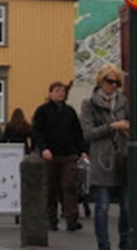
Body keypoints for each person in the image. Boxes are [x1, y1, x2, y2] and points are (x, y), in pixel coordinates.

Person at [80, 64, 130, 250]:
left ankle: (125, 243)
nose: (114, 85)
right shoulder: (89, 104)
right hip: (102, 160)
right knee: (102, 207)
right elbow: (88, 133)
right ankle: (104, 246)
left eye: (117, 82)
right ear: (101, 81)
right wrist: (112, 126)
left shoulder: (123, 102)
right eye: (110, 81)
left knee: (127, 206)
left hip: (123, 158)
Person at [31, 80, 88, 232]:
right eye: (57, 91)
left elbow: (77, 132)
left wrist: (82, 150)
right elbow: (37, 131)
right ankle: (51, 219)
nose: (60, 93)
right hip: (51, 154)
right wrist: (43, 149)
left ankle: (71, 218)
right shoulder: (42, 111)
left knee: (69, 185)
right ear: (50, 93)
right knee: (51, 188)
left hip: (68, 154)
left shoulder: (69, 112)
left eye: (62, 91)